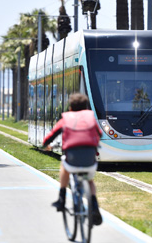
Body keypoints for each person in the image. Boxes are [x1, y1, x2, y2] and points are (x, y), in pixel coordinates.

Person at [42, 93, 103, 226]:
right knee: (90, 180)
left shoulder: (66, 118)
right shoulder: (91, 117)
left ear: (70, 107)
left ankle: (61, 199)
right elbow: (100, 133)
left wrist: (45, 144)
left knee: (64, 167)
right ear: (86, 107)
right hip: (89, 157)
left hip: (72, 157)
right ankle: (95, 206)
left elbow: (51, 135)